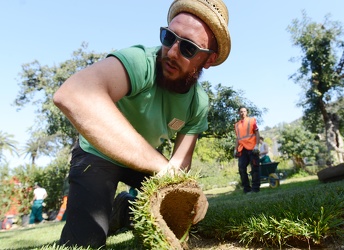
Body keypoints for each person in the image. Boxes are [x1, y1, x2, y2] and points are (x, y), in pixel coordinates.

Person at [53, 0, 231, 248]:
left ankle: (126, 210)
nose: (171, 52)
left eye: (188, 48)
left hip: (146, 162)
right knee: (84, 243)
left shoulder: (198, 103)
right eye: (168, 37)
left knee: (182, 213)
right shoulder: (138, 61)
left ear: (209, 60)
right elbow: (71, 95)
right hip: (97, 153)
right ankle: (115, 213)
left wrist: (188, 191)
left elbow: (179, 165)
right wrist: (163, 167)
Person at [234, 106, 261, 194]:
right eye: (241, 111)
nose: (242, 113)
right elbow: (237, 138)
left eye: (244, 111)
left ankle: (255, 188)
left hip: (252, 148)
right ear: (238, 113)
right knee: (241, 168)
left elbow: (257, 133)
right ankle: (247, 189)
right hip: (242, 149)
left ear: (247, 112)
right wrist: (235, 149)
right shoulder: (237, 125)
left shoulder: (252, 120)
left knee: (255, 168)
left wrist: (257, 145)